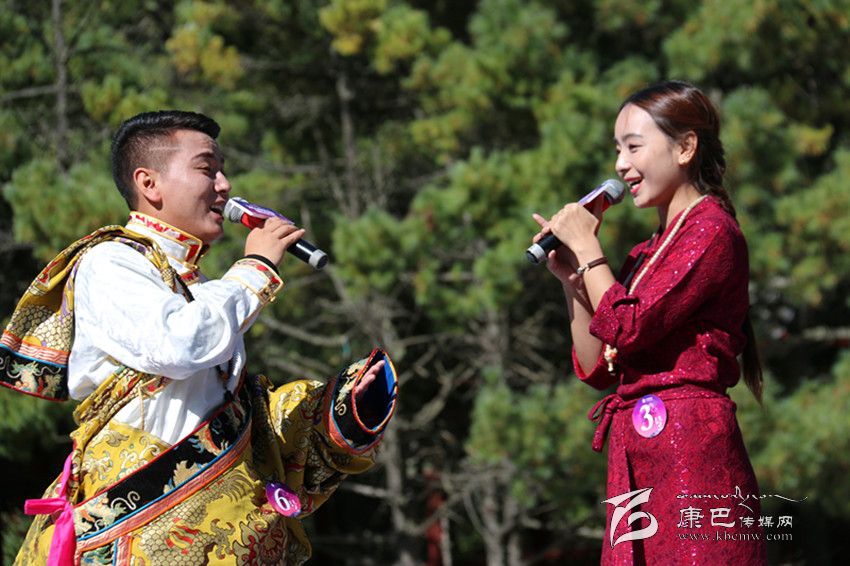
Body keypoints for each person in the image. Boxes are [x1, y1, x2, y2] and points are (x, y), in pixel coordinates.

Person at [1, 110, 398, 565]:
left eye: (223, 170)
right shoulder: (110, 262)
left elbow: (242, 426)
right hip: (144, 538)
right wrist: (256, 268)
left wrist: (337, 411)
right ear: (149, 184)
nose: (224, 186)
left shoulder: (204, 290)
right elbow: (178, 345)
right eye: (207, 169)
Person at [532, 81, 767, 564]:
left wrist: (590, 248)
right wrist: (574, 281)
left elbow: (626, 326)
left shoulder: (712, 230)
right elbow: (599, 367)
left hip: (693, 451)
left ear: (685, 147)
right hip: (636, 452)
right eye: (617, 149)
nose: (621, 165)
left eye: (634, 147)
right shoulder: (644, 254)